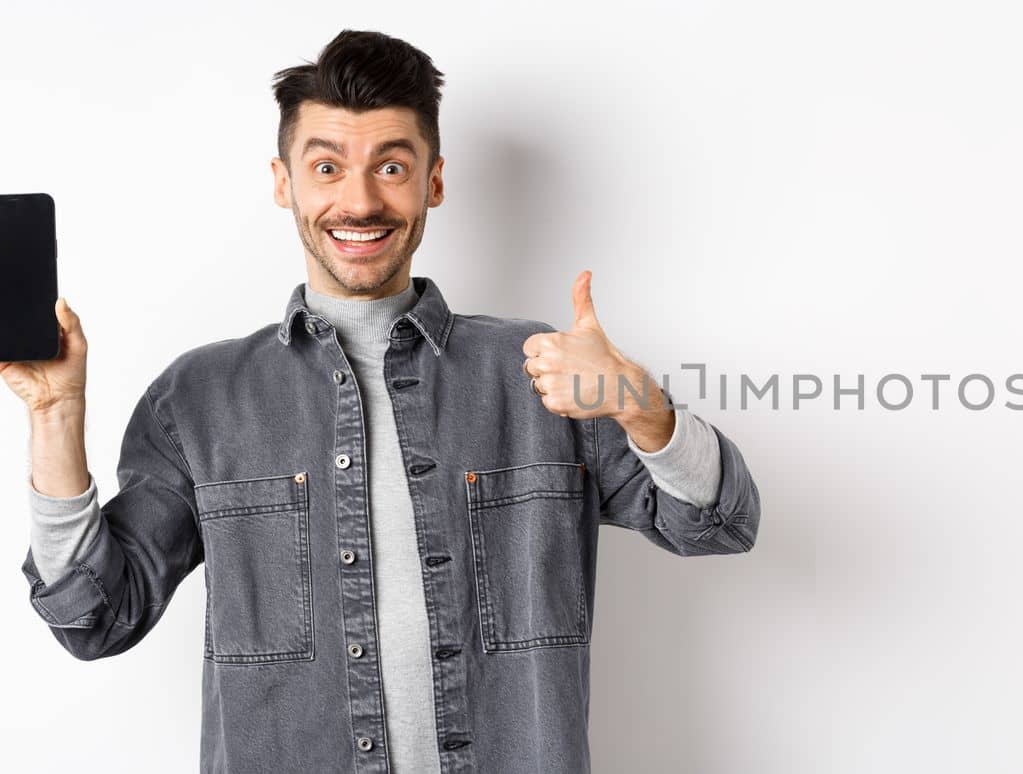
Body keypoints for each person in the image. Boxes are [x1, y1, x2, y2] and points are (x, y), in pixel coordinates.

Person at [3, 29, 761, 774]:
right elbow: (96, 619)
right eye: (327, 166)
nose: (358, 201)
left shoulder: (541, 373)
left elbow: (719, 524)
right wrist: (54, 416)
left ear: (433, 180)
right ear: (283, 182)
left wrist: (641, 407)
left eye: (391, 166)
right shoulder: (199, 399)